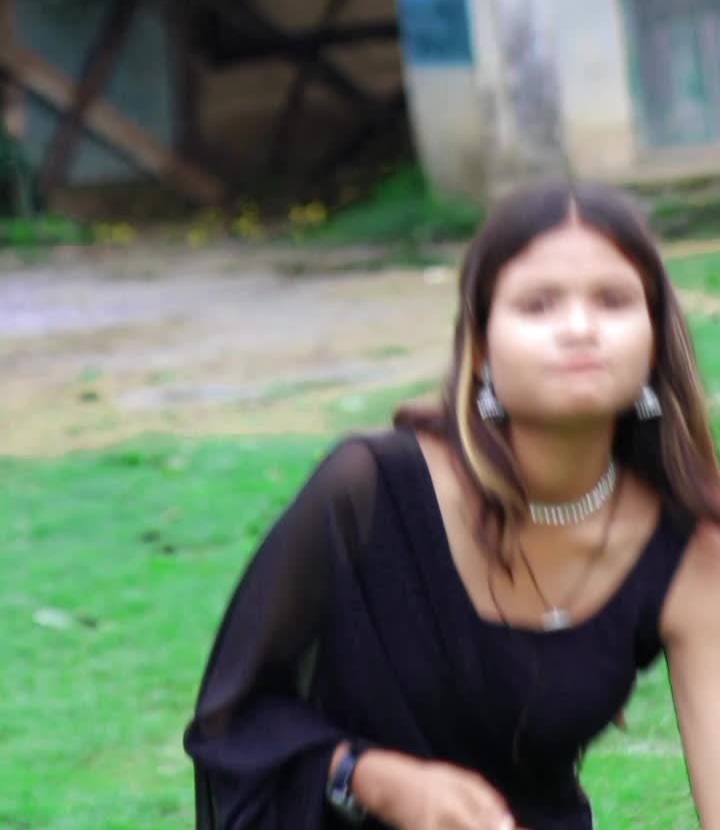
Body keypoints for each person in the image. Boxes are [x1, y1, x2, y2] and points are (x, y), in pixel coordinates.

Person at [183, 179, 720, 830]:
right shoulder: (368, 489)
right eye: (538, 305)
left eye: (613, 301)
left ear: (655, 337)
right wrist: (370, 777)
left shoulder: (689, 547)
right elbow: (233, 719)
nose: (580, 329)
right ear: (482, 345)